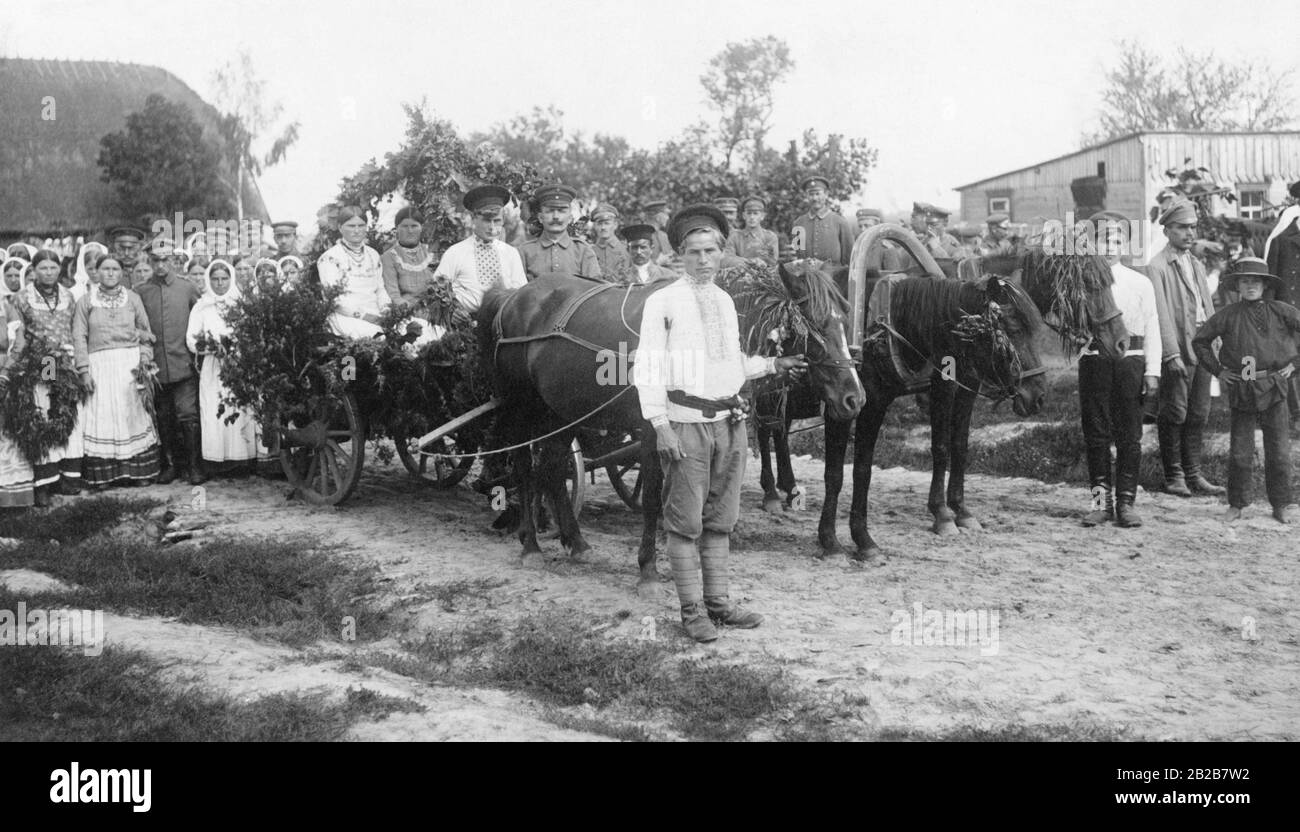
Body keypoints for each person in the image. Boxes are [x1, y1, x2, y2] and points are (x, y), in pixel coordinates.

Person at [633, 204, 809, 643]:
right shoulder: (663, 301)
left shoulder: (726, 301)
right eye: (694, 252)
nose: (704, 260)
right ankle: (692, 611)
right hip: (686, 423)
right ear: (679, 254)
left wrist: (771, 363)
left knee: (720, 520)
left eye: (711, 250)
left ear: (720, 251)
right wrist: (661, 425)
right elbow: (647, 369)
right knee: (686, 523)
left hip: (730, 424)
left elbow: (729, 362)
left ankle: (719, 604)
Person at [1191, 258, 1300, 524]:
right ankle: (1237, 503)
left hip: (1274, 386)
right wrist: (1218, 370)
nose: (1250, 286)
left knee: (1278, 450)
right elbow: (1201, 341)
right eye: (1245, 281)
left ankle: (1281, 503)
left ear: (1264, 285)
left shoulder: (1281, 311)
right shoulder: (1228, 315)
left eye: (1256, 281)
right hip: (1242, 387)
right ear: (1237, 285)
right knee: (1240, 450)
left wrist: (1294, 364)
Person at [1079, 212, 1162, 528]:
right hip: (1095, 361)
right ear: (1092, 243)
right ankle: (1101, 504)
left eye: (1117, 240)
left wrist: (1152, 370)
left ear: (1125, 244)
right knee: (1096, 434)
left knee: (1130, 435)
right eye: (1103, 240)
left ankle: (1126, 504)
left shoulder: (1140, 281)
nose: (1110, 246)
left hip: (1132, 362)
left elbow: (1153, 325)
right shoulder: (1082, 283)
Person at [1148, 199, 1225, 498]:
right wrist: (1170, 354)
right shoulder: (1157, 267)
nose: (1190, 233)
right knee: (1175, 411)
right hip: (1179, 348)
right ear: (1167, 230)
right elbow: (1161, 314)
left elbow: (1206, 306)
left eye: (1193, 227)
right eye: (1182, 227)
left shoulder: (1196, 263)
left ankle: (1195, 474)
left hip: (1203, 349)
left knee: (1199, 413)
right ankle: (1174, 475)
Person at [73, 254, 161, 488]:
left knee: (131, 415)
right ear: (96, 272)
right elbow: (79, 338)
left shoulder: (133, 299)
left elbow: (146, 333)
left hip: (129, 366)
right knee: (103, 416)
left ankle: (139, 473)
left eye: (115, 269)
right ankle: (104, 476)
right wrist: (83, 371)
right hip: (99, 367)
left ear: (122, 273)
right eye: (105, 269)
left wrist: (144, 363)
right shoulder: (85, 301)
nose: (110, 273)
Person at [10, 249, 86, 501]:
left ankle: (69, 477)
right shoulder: (22, 298)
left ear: (59, 270)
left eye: (53, 268)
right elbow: (17, 336)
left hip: (66, 360)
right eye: (43, 268)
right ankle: (45, 481)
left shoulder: (68, 296)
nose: (49, 273)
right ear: (33, 271)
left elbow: (74, 328)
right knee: (45, 413)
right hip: (39, 362)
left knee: (67, 413)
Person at [136, 236, 204, 486]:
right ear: (150, 261)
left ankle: (194, 466)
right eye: (155, 261)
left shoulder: (187, 288)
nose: (161, 265)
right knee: (164, 416)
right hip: (156, 367)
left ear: (174, 260)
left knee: (187, 414)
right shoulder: (141, 292)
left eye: (165, 260)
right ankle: (171, 465)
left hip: (184, 364)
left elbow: (201, 316)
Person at [187, 259, 260, 474]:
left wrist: (237, 345)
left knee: (240, 408)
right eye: (215, 279)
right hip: (213, 367)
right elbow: (191, 339)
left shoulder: (242, 303)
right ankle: (216, 461)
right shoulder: (202, 306)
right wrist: (210, 347)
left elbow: (251, 331)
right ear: (209, 281)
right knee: (213, 409)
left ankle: (241, 460)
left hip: (239, 364)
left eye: (224, 278)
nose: (220, 283)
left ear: (231, 279)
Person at [433, 185, 528, 314]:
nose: (492, 227)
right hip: (465, 323)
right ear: (473, 218)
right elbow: (437, 290)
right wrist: (452, 313)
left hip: (503, 324)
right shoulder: (455, 252)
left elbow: (521, 292)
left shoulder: (510, 253)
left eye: (497, 221)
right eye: (487, 221)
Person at [317, 206, 391, 339]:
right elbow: (333, 300)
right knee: (379, 336)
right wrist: (365, 316)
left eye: (361, 225)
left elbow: (380, 289)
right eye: (351, 226)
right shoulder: (329, 258)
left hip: (376, 313)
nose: (357, 231)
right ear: (340, 228)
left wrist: (386, 310)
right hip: (345, 316)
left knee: (421, 331)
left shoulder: (373, 255)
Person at [515, 184, 602, 282]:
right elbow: (517, 293)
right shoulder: (524, 252)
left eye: (561, 211)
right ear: (540, 217)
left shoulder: (583, 251)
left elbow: (595, 291)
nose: (556, 216)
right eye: (549, 211)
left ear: (570, 218)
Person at [0, 298, 36, 509]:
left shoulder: (5, 307)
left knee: (7, 430)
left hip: (6, 373)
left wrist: (5, 373)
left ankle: (12, 499)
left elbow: (19, 344)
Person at [381, 206, 439, 312]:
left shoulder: (431, 253)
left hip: (435, 309)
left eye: (414, 226)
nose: (410, 231)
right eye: (404, 226)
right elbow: (394, 295)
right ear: (396, 229)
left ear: (421, 227)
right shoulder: (389, 257)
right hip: (407, 312)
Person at [791, 175, 857, 266]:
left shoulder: (840, 222)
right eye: (811, 194)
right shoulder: (798, 224)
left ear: (826, 194)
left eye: (818, 194)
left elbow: (849, 258)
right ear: (806, 196)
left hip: (833, 277)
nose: (814, 198)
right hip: (807, 277)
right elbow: (798, 255)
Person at [723, 195, 779, 263]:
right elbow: (727, 259)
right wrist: (750, 262)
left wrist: (741, 260)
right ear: (744, 215)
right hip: (738, 272)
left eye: (755, 214)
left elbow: (771, 260)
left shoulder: (770, 237)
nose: (752, 217)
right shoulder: (735, 236)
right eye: (749, 213)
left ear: (762, 216)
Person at [590, 204, 629, 278]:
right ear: (595, 226)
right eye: (599, 224)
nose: (603, 227)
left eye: (607, 223)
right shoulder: (590, 251)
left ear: (615, 225)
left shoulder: (626, 249)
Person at [642, 198, 674, 264]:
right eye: (666, 214)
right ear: (658, 218)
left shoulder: (663, 235)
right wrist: (657, 262)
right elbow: (636, 265)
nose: (668, 218)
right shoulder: (641, 236)